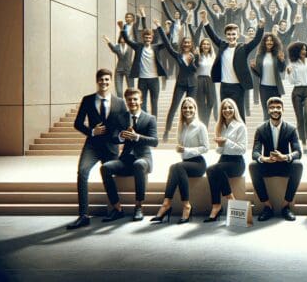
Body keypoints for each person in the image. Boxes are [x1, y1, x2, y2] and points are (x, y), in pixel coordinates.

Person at [67, 69, 127, 229]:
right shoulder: (87, 100)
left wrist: (120, 139)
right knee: (82, 171)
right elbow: (77, 123)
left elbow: (124, 126)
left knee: (107, 174)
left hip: (111, 147)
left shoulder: (120, 103)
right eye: (101, 80)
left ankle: (117, 209)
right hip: (92, 146)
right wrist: (91, 131)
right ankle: (83, 215)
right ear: (97, 81)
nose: (104, 82)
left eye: (107, 80)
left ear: (111, 81)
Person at [100, 88, 159, 222]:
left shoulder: (150, 119)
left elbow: (155, 141)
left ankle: (138, 207)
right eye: (129, 100)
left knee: (138, 164)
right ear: (126, 101)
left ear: (141, 100)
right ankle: (117, 208)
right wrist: (121, 136)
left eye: (135, 99)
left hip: (143, 159)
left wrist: (137, 137)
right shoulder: (121, 118)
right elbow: (113, 137)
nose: (132, 102)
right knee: (105, 167)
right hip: (125, 160)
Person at [151, 98, 208, 224]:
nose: (187, 110)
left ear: (195, 109)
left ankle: (184, 205)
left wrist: (187, 150)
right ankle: (167, 203)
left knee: (177, 167)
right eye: (185, 108)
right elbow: (183, 150)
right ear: (181, 110)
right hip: (186, 163)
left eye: (190, 107)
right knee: (174, 167)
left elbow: (206, 148)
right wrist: (181, 150)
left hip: (198, 163)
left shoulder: (200, 126)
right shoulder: (182, 127)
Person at [202, 12, 264, 121]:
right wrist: (205, 20)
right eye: (229, 34)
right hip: (224, 86)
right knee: (225, 115)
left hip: (238, 87)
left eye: (233, 34)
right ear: (226, 35)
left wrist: (260, 28)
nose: (231, 37)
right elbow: (212, 35)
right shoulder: (222, 45)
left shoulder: (243, 48)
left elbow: (256, 41)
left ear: (238, 35)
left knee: (239, 115)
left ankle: (242, 137)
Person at [249, 97, 303, 221]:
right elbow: (255, 153)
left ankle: (285, 206)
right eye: (272, 108)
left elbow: (298, 152)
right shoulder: (260, 129)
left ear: (283, 109)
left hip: (284, 165)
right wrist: (264, 159)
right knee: (253, 166)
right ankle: (267, 206)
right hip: (268, 165)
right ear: (268, 110)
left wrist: (285, 157)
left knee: (298, 165)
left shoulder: (291, 128)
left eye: (278, 107)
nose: (275, 110)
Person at [205, 98, 247, 222]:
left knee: (215, 169)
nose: (227, 110)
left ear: (234, 110)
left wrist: (226, 142)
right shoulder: (220, 126)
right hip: (224, 160)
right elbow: (220, 151)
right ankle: (216, 205)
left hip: (237, 162)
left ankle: (231, 200)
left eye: (230, 107)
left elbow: (242, 149)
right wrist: (219, 145)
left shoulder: (240, 126)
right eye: (224, 108)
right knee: (210, 170)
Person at [157, 23, 199, 141]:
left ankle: (190, 132)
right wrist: (160, 28)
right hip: (180, 83)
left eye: (188, 43)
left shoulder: (195, 55)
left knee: (192, 108)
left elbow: (196, 70)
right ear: (182, 44)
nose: (186, 44)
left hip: (193, 85)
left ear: (191, 45)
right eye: (185, 43)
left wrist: (192, 62)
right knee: (174, 107)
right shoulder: (178, 55)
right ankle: (167, 131)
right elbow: (167, 45)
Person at [119, 21, 166, 118]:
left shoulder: (156, 47)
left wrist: (159, 27)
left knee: (154, 104)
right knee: (142, 103)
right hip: (142, 80)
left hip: (154, 80)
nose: (147, 39)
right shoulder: (138, 46)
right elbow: (127, 40)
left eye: (149, 37)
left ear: (152, 38)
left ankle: (153, 123)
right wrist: (122, 29)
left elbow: (166, 42)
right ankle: (144, 122)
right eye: (146, 37)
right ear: (143, 38)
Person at [286, 41, 307, 147]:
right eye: (301, 49)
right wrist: (290, 73)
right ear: (296, 51)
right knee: (300, 118)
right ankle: (303, 142)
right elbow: (292, 82)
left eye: (305, 49)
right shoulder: (293, 64)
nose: (303, 51)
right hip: (297, 91)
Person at [250, 33, 287, 119]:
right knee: (266, 113)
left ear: (274, 43)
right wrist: (253, 68)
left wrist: (282, 60)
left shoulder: (277, 54)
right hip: (264, 88)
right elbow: (258, 74)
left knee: (276, 113)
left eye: (271, 40)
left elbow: (282, 70)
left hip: (276, 88)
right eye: (267, 41)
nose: (269, 42)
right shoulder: (259, 56)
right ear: (264, 43)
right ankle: (266, 131)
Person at [195, 37, 216, 126]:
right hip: (200, 79)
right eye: (204, 44)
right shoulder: (198, 55)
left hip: (210, 79)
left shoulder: (213, 56)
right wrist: (196, 56)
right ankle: (203, 123)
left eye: (207, 44)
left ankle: (205, 120)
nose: (206, 46)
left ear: (210, 46)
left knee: (211, 102)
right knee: (200, 103)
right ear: (201, 46)